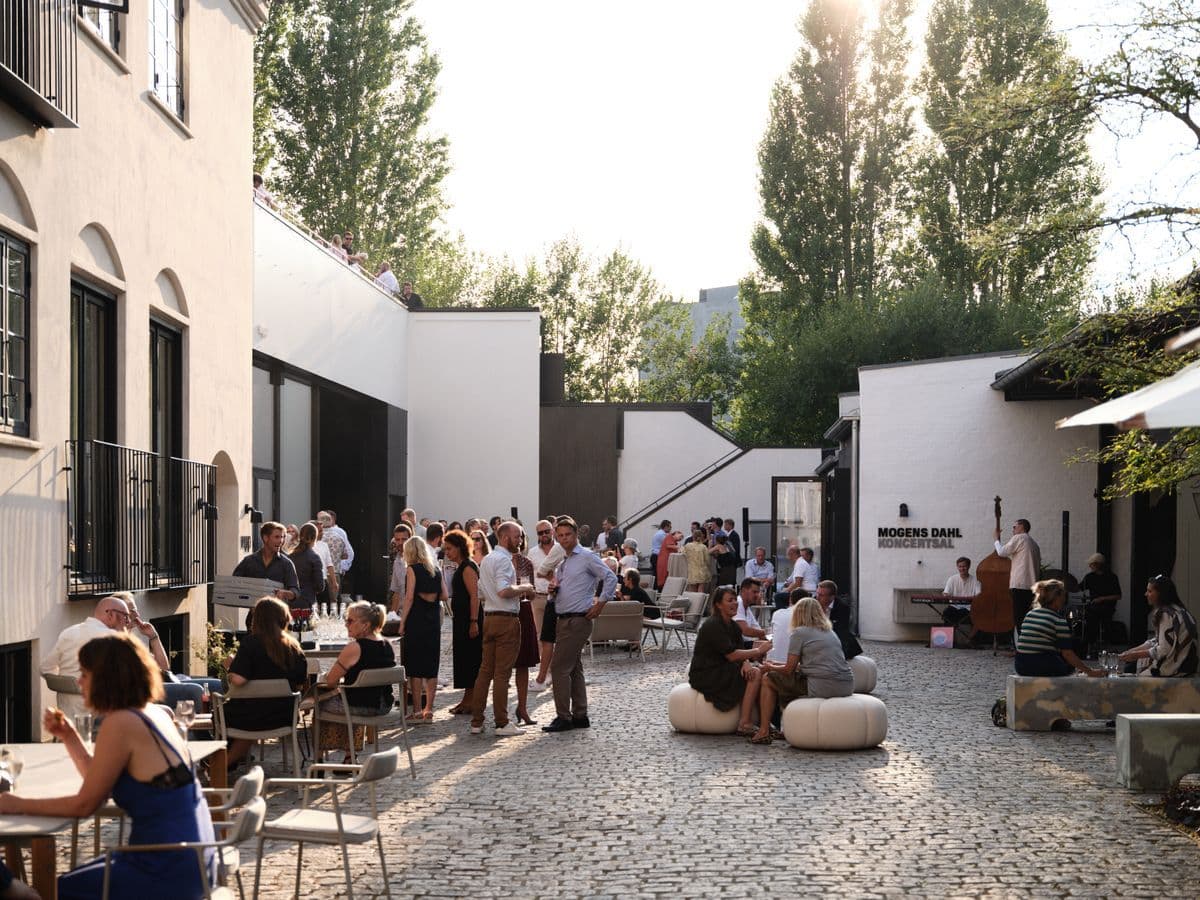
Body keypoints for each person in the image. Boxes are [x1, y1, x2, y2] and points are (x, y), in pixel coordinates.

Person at [0, 633, 217, 898]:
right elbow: (100, 782)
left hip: (164, 868)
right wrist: (70, 737)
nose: (79, 681)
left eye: (84, 674)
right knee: (60, 884)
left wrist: (16, 804)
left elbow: (85, 805)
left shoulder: (121, 722)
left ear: (106, 679)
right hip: (193, 858)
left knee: (49, 892)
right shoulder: (153, 714)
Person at [542, 517, 618, 733]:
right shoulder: (564, 562)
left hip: (577, 620)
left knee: (558, 668)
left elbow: (610, 577)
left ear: (576, 535)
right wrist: (554, 590)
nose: (564, 539)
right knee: (574, 668)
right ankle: (580, 715)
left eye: (568, 535)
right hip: (564, 618)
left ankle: (563, 717)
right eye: (561, 535)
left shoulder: (586, 557)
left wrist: (601, 603)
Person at [751, 597, 855, 744]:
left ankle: (763, 730)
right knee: (784, 680)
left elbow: (788, 669)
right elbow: (809, 665)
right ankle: (786, 728)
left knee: (769, 679)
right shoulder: (829, 632)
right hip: (846, 684)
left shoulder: (800, 632)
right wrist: (776, 664)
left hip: (822, 685)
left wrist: (769, 667)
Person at [222, 596, 308, 771]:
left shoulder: (251, 644)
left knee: (220, 714)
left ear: (257, 619)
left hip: (247, 716)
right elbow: (300, 683)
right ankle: (227, 762)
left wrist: (230, 667)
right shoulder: (295, 648)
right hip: (284, 716)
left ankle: (221, 764)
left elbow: (239, 680)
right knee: (244, 715)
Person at [469, 522, 536, 736]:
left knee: (485, 671)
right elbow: (504, 591)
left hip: (489, 617)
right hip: (505, 619)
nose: (520, 541)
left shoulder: (487, 559)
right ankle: (501, 722)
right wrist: (525, 587)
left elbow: (481, 592)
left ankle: (477, 722)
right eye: (517, 537)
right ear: (505, 538)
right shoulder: (504, 560)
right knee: (502, 674)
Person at [688, 587, 770, 738]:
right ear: (719, 604)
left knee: (762, 671)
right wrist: (758, 651)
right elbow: (732, 655)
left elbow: (738, 651)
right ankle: (744, 723)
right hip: (707, 672)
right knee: (756, 673)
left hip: (723, 666)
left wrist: (746, 662)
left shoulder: (733, 626)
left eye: (734, 600)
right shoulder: (712, 625)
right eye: (729, 600)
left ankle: (765, 722)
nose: (734, 604)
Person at [317, 601, 395, 755]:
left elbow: (331, 681)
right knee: (349, 696)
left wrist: (323, 677)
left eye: (350, 620)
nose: (346, 624)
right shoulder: (387, 645)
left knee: (320, 702)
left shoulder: (354, 648)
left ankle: (319, 759)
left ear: (365, 625)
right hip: (384, 704)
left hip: (362, 706)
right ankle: (349, 755)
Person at [41, 594, 132, 717]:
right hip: (101, 717)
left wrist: (69, 684)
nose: (128, 622)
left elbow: (44, 668)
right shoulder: (114, 638)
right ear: (110, 614)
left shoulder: (68, 632)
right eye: (126, 617)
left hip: (67, 720)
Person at [398, 536, 446, 723]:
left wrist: (402, 622)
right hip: (433, 620)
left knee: (416, 666)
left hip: (416, 620)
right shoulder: (436, 569)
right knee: (431, 665)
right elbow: (444, 595)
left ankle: (417, 710)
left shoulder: (412, 569)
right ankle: (429, 709)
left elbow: (409, 597)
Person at [1015, 580, 1103, 678]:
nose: (1065, 599)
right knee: (1069, 664)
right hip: (1040, 666)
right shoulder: (1058, 619)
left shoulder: (1030, 614)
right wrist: (1089, 671)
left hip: (1020, 665)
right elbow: (1067, 654)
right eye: (1064, 596)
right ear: (1057, 598)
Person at [1119, 575, 1198, 677]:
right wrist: (1131, 651)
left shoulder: (1166, 613)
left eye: (1150, 591)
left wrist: (1135, 655)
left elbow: (1163, 650)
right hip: (1186, 664)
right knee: (1131, 665)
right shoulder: (1179, 610)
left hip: (1175, 667)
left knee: (1130, 668)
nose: (1146, 594)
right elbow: (1158, 641)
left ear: (1161, 593)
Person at [444, 530, 483, 715]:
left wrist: (474, 621)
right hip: (461, 619)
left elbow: (474, 597)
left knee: (471, 659)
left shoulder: (468, 567)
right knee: (464, 659)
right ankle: (467, 699)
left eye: (450, 549)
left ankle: (472, 700)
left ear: (459, 548)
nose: (447, 553)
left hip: (469, 619)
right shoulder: (460, 567)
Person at [527, 519, 563, 693]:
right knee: (542, 638)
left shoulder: (562, 548)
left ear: (553, 531)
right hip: (540, 598)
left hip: (561, 598)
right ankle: (548, 673)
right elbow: (528, 575)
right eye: (540, 533)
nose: (544, 535)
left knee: (562, 637)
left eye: (546, 531)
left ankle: (561, 673)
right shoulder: (533, 553)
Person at [995, 517, 1042, 635]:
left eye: (1014, 527)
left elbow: (1002, 552)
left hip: (1020, 584)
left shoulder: (1019, 537)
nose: (1013, 529)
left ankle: (1021, 649)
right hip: (1032, 585)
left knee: (1019, 618)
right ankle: (1027, 646)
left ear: (1022, 527)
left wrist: (996, 540)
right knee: (1028, 618)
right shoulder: (1034, 544)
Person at [232, 521, 298, 603]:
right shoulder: (249, 561)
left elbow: (295, 591)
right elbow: (235, 583)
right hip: (255, 613)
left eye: (283, 537)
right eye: (277, 537)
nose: (281, 541)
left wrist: (285, 593)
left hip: (278, 613)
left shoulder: (287, 563)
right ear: (265, 538)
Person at [512, 530, 539, 726]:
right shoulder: (497, 560)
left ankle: (522, 707)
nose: (519, 541)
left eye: (521, 537)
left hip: (523, 609)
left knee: (523, 663)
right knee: (501, 665)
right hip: (505, 612)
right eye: (515, 537)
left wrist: (529, 591)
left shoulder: (526, 563)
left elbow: (533, 592)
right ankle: (500, 710)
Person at [1080, 552, 1121, 650]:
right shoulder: (1089, 577)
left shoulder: (1112, 577)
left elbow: (1118, 596)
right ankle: (1090, 645)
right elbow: (1079, 587)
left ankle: (1105, 645)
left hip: (1107, 607)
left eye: (1092, 564)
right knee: (1090, 617)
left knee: (1100, 620)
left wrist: (1102, 599)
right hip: (1093, 607)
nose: (1090, 566)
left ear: (1098, 564)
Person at [815, 579, 861, 660]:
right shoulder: (812, 603)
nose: (817, 597)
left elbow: (841, 630)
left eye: (821, 595)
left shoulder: (842, 608)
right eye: (817, 593)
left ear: (832, 597)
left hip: (834, 637)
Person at [288, 521, 325, 612]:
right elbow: (320, 586)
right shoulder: (314, 558)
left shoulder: (289, 557)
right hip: (307, 602)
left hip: (289, 601)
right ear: (314, 538)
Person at [941, 556, 981, 638]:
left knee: (979, 617)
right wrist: (946, 594)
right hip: (954, 607)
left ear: (969, 567)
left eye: (964, 566)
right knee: (946, 613)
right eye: (960, 566)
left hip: (969, 608)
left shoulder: (975, 580)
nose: (962, 568)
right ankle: (949, 640)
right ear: (957, 567)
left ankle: (969, 639)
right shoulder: (952, 579)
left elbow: (978, 595)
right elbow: (946, 593)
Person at [386, 522, 414, 612]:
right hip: (403, 612)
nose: (401, 542)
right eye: (398, 540)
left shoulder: (418, 560)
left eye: (404, 539)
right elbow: (396, 592)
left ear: (411, 539)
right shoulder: (397, 561)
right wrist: (392, 616)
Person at [732, 578, 768, 643]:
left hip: (746, 645)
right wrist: (767, 633)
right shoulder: (738, 603)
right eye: (754, 592)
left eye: (758, 592)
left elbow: (758, 630)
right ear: (743, 591)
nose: (757, 595)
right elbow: (745, 630)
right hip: (739, 646)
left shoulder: (747, 608)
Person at [684, 527, 713, 594]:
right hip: (702, 571)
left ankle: (693, 603)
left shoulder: (688, 546)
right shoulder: (703, 547)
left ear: (693, 537)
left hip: (692, 570)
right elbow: (707, 560)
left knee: (692, 590)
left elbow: (682, 552)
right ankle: (700, 604)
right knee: (701, 590)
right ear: (701, 536)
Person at [650, 520, 671, 584]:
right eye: (670, 527)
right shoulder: (662, 535)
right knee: (658, 574)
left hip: (655, 555)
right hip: (657, 556)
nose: (670, 529)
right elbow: (668, 545)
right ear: (665, 527)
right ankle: (657, 590)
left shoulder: (659, 533)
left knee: (656, 574)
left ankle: (655, 588)